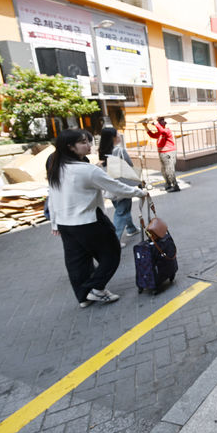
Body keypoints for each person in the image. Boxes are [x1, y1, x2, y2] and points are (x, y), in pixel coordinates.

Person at [47, 129, 148, 308]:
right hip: (89, 222)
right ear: (70, 147)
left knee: (77, 261)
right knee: (111, 254)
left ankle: (83, 297)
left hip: (65, 224)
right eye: (83, 142)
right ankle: (96, 288)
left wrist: (54, 222)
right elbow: (116, 186)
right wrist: (139, 192)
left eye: (88, 140)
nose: (88, 145)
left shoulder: (56, 167)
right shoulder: (87, 170)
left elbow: (53, 196)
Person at [99, 127, 141, 247]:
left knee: (122, 208)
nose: (119, 136)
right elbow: (129, 166)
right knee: (122, 212)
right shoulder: (119, 151)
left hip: (110, 187)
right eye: (117, 134)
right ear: (112, 138)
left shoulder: (103, 151)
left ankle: (131, 228)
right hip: (122, 185)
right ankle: (115, 240)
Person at [143, 117, 181, 192]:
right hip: (162, 153)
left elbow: (162, 131)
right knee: (164, 170)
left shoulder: (167, 131)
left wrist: (156, 123)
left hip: (168, 153)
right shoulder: (160, 132)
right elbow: (152, 135)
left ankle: (175, 185)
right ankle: (168, 183)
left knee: (169, 169)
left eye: (159, 122)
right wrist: (145, 126)